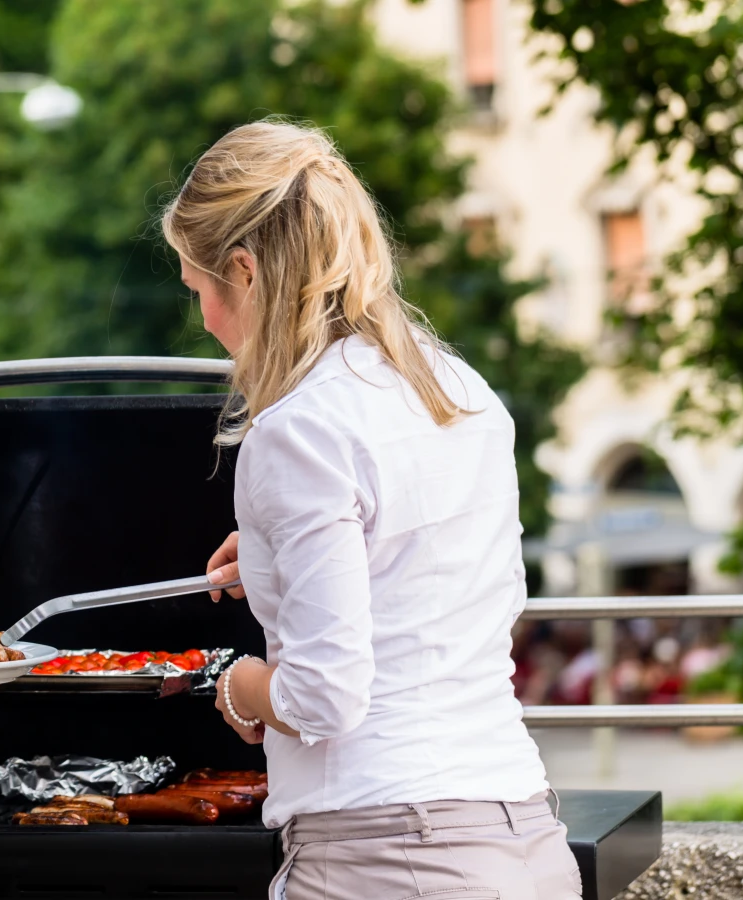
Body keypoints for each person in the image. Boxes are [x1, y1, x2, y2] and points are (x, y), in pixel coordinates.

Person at [166, 121, 582, 899]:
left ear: (245, 272)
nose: (206, 322)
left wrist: (238, 684)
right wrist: (274, 559)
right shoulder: (460, 390)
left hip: (385, 857)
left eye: (199, 291)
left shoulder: (296, 429)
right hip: (523, 841)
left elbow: (324, 696)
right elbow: (448, 587)